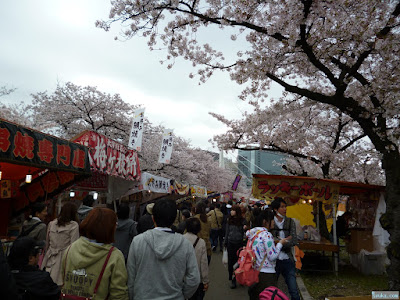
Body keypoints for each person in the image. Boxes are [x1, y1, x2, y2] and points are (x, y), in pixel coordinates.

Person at [127, 198, 200, 300]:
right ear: (174, 219)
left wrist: (133, 296)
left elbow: (130, 277)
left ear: (153, 218)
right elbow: (194, 279)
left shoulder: (138, 241)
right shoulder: (185, 244)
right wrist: (182, 295)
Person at [61, 208, 128, 299]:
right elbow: (118, 294)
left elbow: (63, 280)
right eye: (115, 224)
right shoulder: (114, 256)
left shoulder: (70, 249)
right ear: (109, 228)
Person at [247, 209, 289, 300]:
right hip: (267, 275)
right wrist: (280, 243)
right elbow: (272, 256)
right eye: (272, 220)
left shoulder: (254, 234)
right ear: (265, 221)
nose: (273, 222)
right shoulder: (267, 235)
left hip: (256, 271)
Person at [41, 201, 80, 286]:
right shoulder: (74, 225)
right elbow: (73, 246)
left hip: (50, 256)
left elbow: (47, 243)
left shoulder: (52, 223)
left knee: (46, 282)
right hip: (64, 258)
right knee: (60, 284)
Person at [270, 197, 300, 300]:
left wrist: (280, 242)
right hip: (274, 260)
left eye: (285, 206)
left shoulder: (290, 221)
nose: (285, 209)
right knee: (271, 289)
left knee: (294, 290)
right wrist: (285, 240)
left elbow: (294, 240)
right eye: (282, 207)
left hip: (287, 259)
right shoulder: (271, 222)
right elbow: (269, 241)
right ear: (275, 209)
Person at [184, 217, 209, 300]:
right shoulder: (201, 242)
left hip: (182, 278)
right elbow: (204, 263)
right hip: (196, 279)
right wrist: (205, 281)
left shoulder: (180, 239)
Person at [224, 204, 247, 289]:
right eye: (231, 210)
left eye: (233, 210)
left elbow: (245, 234)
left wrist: (245, 244)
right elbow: (227, 231)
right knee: (231, 262)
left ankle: (239, 277)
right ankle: (233, 279)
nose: (231, 211)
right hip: (230, 243)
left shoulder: (243, 221)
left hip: (239, 244)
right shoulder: (229, 220)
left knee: (239, 262)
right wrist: (225, 242)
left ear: (236, 211)